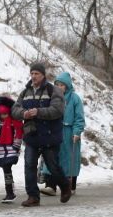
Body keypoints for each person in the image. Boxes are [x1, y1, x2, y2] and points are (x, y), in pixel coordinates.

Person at [11, 62, 71, 206]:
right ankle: (33, 196)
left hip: (50, 136)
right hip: (32, 136)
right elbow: (14, 109)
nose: (33, 76)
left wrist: (38, 112)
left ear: (43, 75)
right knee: (29, 165)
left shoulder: (53, 90)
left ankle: (65, 186)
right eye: (32, 73)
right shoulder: (25, 92)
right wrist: (23, 113)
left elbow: (58, 110)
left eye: (36, 74)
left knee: (52, 166)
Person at [43, 72, 84, 195]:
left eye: (62, 85)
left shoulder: (75, 99)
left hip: (69, 133)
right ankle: (50, 186)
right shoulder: (51, 97)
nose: (59, 87)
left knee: (69, 159)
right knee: (51, 157)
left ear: (67, 86)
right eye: (57, 84)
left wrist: (77, 131)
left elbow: (79, 117)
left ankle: (70, 186)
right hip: (54, 131)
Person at [0, 95, 23, 203]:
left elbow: (18, 134)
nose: (3, 116)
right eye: (1, 114)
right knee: (6, 170)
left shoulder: (15, 122)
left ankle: (10, 192)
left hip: (11, 149)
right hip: (2, 149)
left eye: (5, 114)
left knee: (7, 168)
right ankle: (10, 190)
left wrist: (16, 146)